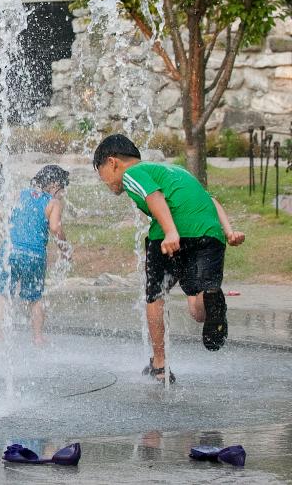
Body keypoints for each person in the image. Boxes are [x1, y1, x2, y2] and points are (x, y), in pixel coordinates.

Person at [92, 134, 245, 381]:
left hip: (172, 234)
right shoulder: (176, 170)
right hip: (210, 234)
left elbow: (154, 196)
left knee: (155, 296)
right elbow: (211, 200)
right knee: (198, 308)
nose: (103, 181)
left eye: (101, 172)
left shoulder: (133, 173)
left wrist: (171, 231)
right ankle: (211, 298)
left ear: (112, 162)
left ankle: (160, 365)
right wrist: (228, 231)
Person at [0, 165, 70, 346]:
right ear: (53, 185)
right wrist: (64, 249)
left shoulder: (19, 194)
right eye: (62, 188)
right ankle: (37, 337)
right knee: (34, 299)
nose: (62, 193)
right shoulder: (53, 203)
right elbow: (55, 228)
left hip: (10, 252)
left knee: (2, 294)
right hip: (35, 256)